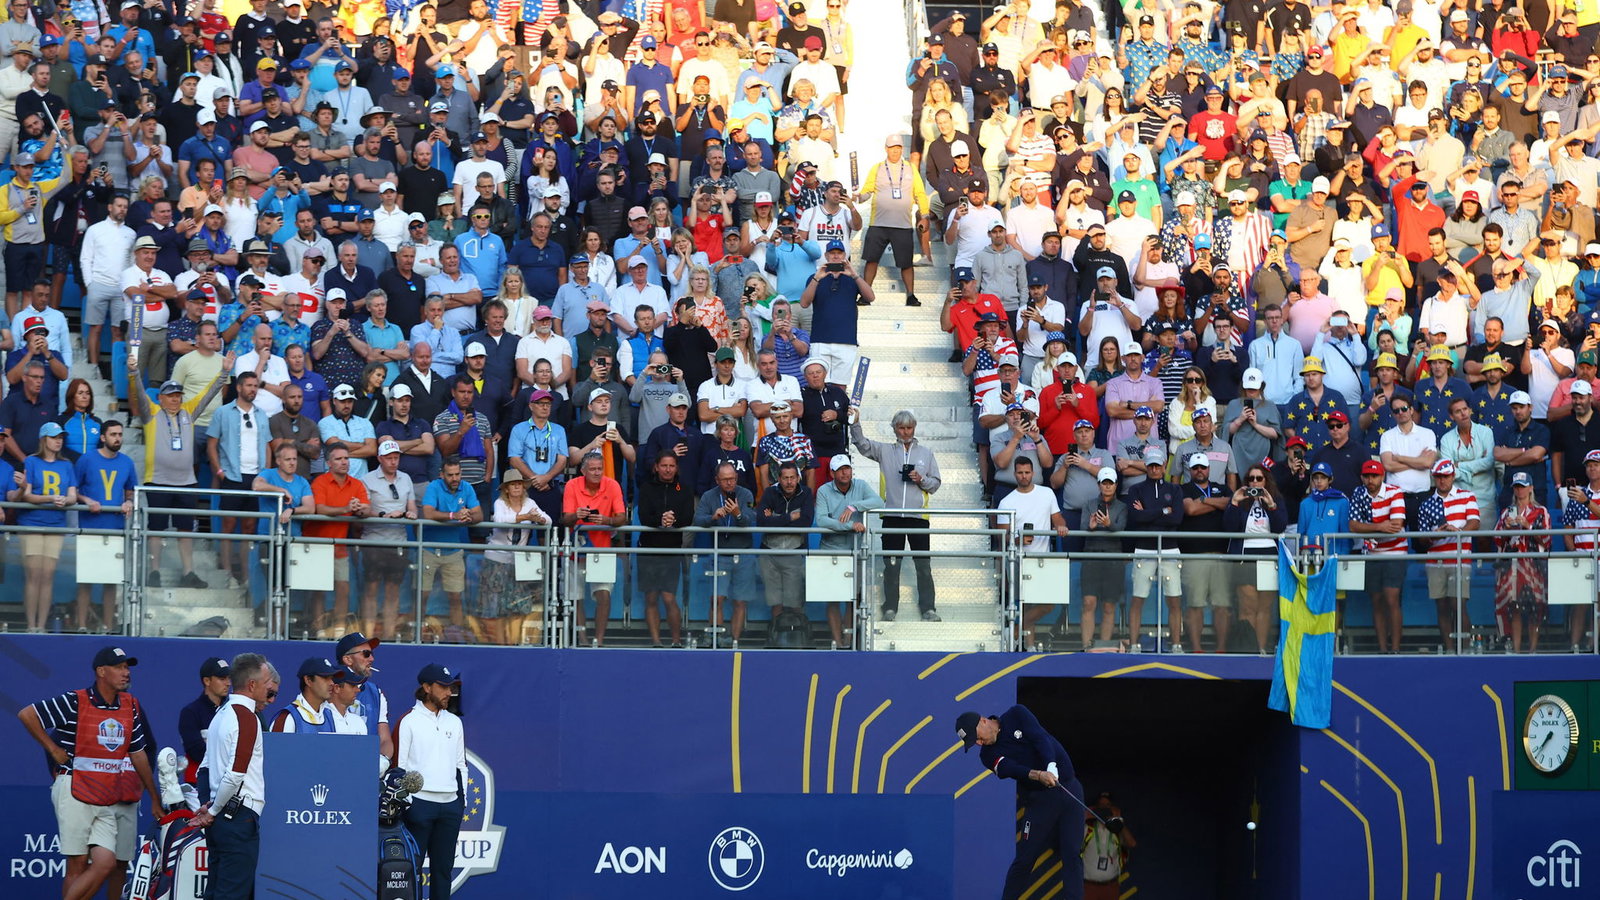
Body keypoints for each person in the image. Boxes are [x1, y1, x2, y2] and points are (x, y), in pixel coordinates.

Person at [18, 646, 162, 900]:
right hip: (74, 786)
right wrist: (53, 749)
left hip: (105, 792)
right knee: (77, 864)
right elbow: (27, 714)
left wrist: (153, 796)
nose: (126, 672)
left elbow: (139, 753)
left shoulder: (129, 705)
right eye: (119, 667)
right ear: (101, 671)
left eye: (127, 667)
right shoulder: (75, 700)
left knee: (106, 863)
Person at [954, 704, 1085, 900]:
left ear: (983, 720)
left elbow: (1040, 738)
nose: (979, 743)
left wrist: (1051, 766)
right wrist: (1039, 775)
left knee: (1072, 853)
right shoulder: (987, 756)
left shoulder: (1017, 714)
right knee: (1025, 858)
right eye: (975, 742)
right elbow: (1011, 768)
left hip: (1069, 788)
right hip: (1040, 800)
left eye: (977, 737)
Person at [192, 653, 279, 900]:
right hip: (237, 817)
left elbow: (204, 768)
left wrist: (208, 805)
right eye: (266, 683)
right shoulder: (246, 718)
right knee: (233, 893)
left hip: (221, 817)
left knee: (217, 890)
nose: (269, 689)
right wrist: (212, 810)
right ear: (252, 685)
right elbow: (235, 774)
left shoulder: (221, 714)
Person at [849, 407, 942, 622]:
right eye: (901, 428)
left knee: (923, 565)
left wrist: (921, 480)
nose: (906, 432)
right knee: (891, 565)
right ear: (894, 429)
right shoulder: (885, 450)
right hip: (891, 516)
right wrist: (855, 422)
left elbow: (936, 484)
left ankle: (928, 608)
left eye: (909, 428)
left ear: (914, 428)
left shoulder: (926, 453)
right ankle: (890, 607)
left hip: (918, 518)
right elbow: (862, 444)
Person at [395, 663, 467, 900]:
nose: (449, 692)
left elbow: (461, 765)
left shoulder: (454, 722)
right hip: (419, 805)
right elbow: (399, 767)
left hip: (450, 806)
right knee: (412, 869)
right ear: (426, 687)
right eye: (443, 687)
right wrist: (408, 804)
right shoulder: (409, 721)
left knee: (443, 871)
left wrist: (461, 802)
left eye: (451, 687)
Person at [561, 452, 628, 646]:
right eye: (593, 469)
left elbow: (622, 517)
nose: (597, 472)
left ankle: (598, 640)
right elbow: (565, 519)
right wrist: (577, 515)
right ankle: (582, 640)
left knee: (604, 595)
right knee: (576, 597)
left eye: (600, 469)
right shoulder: (572, 485)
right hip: (576, 549)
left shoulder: (612, 485)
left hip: (602, 549)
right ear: (583, 471)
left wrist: (607, 520)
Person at [814, 455, 881, 646]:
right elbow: (821, 520)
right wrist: (850, 526)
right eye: (840, 469)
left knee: (854, 598)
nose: (845, 472)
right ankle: (838, 642)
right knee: (833, 599)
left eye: (847, 468)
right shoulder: (823, 490)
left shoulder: (860, 485)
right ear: (832, 473)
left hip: (856, 551)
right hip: (831, 552)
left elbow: (879, 502)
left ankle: (848, 640)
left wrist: (854, 506)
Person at [479, 471, 552, 645]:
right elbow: (499, 520)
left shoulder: (529, 503)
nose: (517, 487)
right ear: (506, 489)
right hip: (497, 560)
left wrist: (539, 519)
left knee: (517, 604)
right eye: (513, 484)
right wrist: (526, 517)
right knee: (496, 605)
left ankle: (513, 642)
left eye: (519, 484)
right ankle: (499, 643)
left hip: (519, 562)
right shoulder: (500, 503)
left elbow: (548, 520)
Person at [18, 421, 77, 631]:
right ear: (44, 440)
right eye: (54, 437)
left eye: (60, 438)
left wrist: (65, 500)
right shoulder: (32, 461)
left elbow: (73, 496)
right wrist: (51, 498)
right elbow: (26, 495)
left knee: (48, 576)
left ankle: (42, 626)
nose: (58, 441)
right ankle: (31, 625)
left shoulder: (67, 465)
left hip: (56, 524)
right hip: (32, 523)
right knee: (33, 575)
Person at [1127, 448, 1185, 650]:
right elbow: (1136, 518)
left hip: (1170, 548)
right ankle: (1134, 644)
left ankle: (1176, 645)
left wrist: (1148, 513)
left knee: (1174, 599)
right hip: (1144, 548)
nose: (1154, 469)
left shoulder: (1175, 489)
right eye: (1151, 465)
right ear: (1146, 466)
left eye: (1157, 465)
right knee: (1138, 598)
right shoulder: (1136, 490)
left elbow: (1176, 518)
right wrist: (1163, 511)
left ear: (1164, 466)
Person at [695, 461, 759, 644]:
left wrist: (737, 514)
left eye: (732, 478)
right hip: (720, 554)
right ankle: (716, 638)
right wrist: (712, 517)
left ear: (737, 477)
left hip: (743, 554)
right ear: (717, 480)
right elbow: (697, 520)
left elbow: (751, 519)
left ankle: (735, 641)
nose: (730, 483)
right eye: (725, 480)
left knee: (740, 601)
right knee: (717, 599)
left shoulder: (746, 494)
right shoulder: (709, 496)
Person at [1349, 459, 1409, 654]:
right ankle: (1383, 649)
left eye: (1374, 476)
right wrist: (1381, 526)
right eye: (1367, 476)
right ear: (1361, 477)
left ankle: (1396, 649)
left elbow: (1396, 525)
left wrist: (1369, 529)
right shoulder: (1358, 493)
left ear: (1382, 476)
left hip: (1395, 552)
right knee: (1376, 601)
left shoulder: (1395, 491)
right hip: (1372, 553)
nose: (1370, 480)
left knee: (1391, 599)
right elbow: (1353, 526)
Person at [1418, 459, 1479, 651]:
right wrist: (1434, 535)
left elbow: (1475, 523)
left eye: (1445, 476)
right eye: (1438, 477)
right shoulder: (1427, 504)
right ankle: (1450, 649)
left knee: (1458, 604)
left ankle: (1465, 648)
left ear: (1453, 476)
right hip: (1436, 559)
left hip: (1460, 558)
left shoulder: (1467, 496)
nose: (1442, 480)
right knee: (1442, 606)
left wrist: (1457, 532)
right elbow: (1422, 540)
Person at [636, 452, 695, 647]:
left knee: (669, 598)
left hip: (672, 551)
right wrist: (660, 520)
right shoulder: (646, 488)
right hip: (648, 550)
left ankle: (676, 641)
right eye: (664, 465)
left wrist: (673, 520)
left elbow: (688, 517)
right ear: (656, 467)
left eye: (671, 466)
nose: (668, 470)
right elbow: (644, 516)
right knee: (651, 597)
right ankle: (656, 641)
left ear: (677, 468)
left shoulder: (684, 489)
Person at [420, 456, 483, 634]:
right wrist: (453, 516)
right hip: (429, 549)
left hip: (454, 551)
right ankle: (416, 633)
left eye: (457, 474)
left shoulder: (467, 487)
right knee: (422, 595)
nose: (455, 478)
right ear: (442, 474)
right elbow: (428, 513)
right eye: (450, 475)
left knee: (455, 596)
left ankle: (456, 634)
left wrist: (468, 517)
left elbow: (479, 515)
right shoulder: (434, 486)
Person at [1495, 472, 1550, 653]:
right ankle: (1516, 650)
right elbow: (1497, 540)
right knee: (1514, 607)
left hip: (1533, 564)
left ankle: (1533, 650)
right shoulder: (1506, 513)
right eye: (1517, 487)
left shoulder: (1540, 511)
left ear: (1531, 488)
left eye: (1522, 486)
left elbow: (1547, 539)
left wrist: (1529, 527)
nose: (1519, 490)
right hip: (1511, 565)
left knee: (1535, 607)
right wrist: (1505, 528)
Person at [334, 633, 392, 758]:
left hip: (367, 764)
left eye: (372, 654)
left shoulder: (376, 693)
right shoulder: (330, 688)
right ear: (348, 659)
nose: (371, 659)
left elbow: (384, 740)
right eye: (366, 654)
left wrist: (382, 760)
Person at [176, 657, 230, 788]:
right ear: (207, 681)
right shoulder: (190, 712)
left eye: (229, 678)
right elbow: (196, 752)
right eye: (222, 679)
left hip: (229, 784)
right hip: (198, 785)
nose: (228, 683)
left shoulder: (233, 710)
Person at [1082, 792, 1136, 900]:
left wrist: (1118, 820)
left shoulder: (1117, 831)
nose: (1104, 809)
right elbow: (1068, 842)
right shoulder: (1088, 829)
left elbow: (1132, 843)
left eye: (1107, 805)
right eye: (1101, 806)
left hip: (1111, 886)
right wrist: (1084, 817)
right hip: (1088, 886)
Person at [268, 657, 343, 732]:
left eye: (332, 678)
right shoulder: (287, 718)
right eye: (325, 677)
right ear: (308, 680)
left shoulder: (330, 716)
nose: (332, 683)